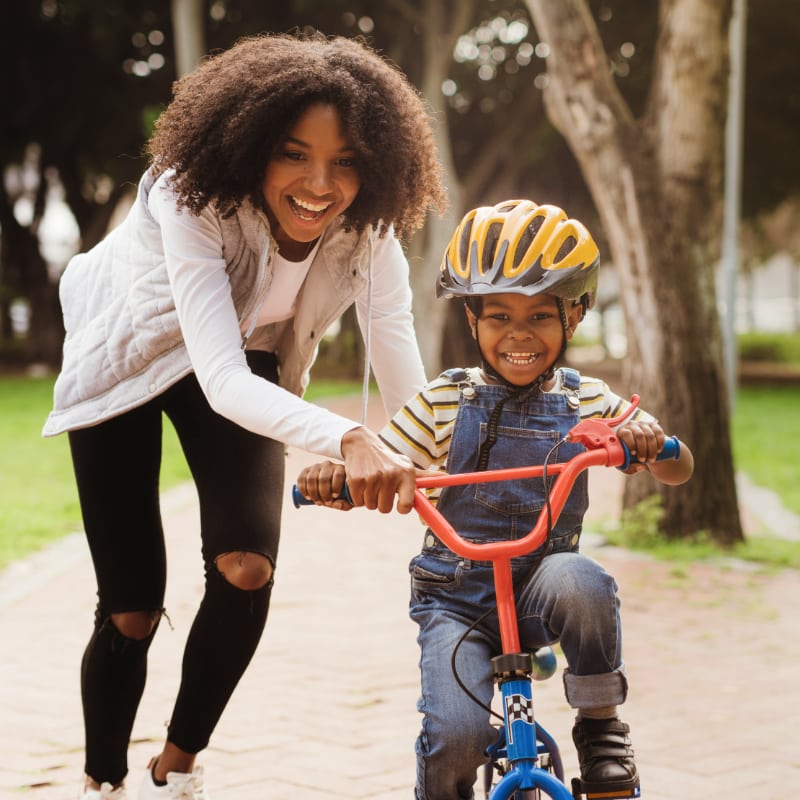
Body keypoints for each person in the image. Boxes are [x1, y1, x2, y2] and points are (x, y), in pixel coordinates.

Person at [43, 31, 447, 800]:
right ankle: (102, 780)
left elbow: (397, 356)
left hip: (244, 357)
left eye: (347, 161)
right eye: (293, 154)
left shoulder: (371, 232)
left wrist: (436, 451)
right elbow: (219, 376)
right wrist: (352, 437)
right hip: (127, 358)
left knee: (247, 565)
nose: (319, 184)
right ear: (252, 144)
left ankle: (177, 766)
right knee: (132, 607)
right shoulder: (186, 193)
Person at [296, 199, 694, 800]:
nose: (519, 334)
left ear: (575, 315)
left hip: (542, 591)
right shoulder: (444, 400)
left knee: (584, 581)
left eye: (540, 315)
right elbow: (385, 460)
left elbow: (679, 467)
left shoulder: (588, 400)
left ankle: (601, 730)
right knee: (454, 735)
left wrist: (651, 443)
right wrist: (340, 477)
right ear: (473, 319)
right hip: (457, 601)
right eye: (499, 315)